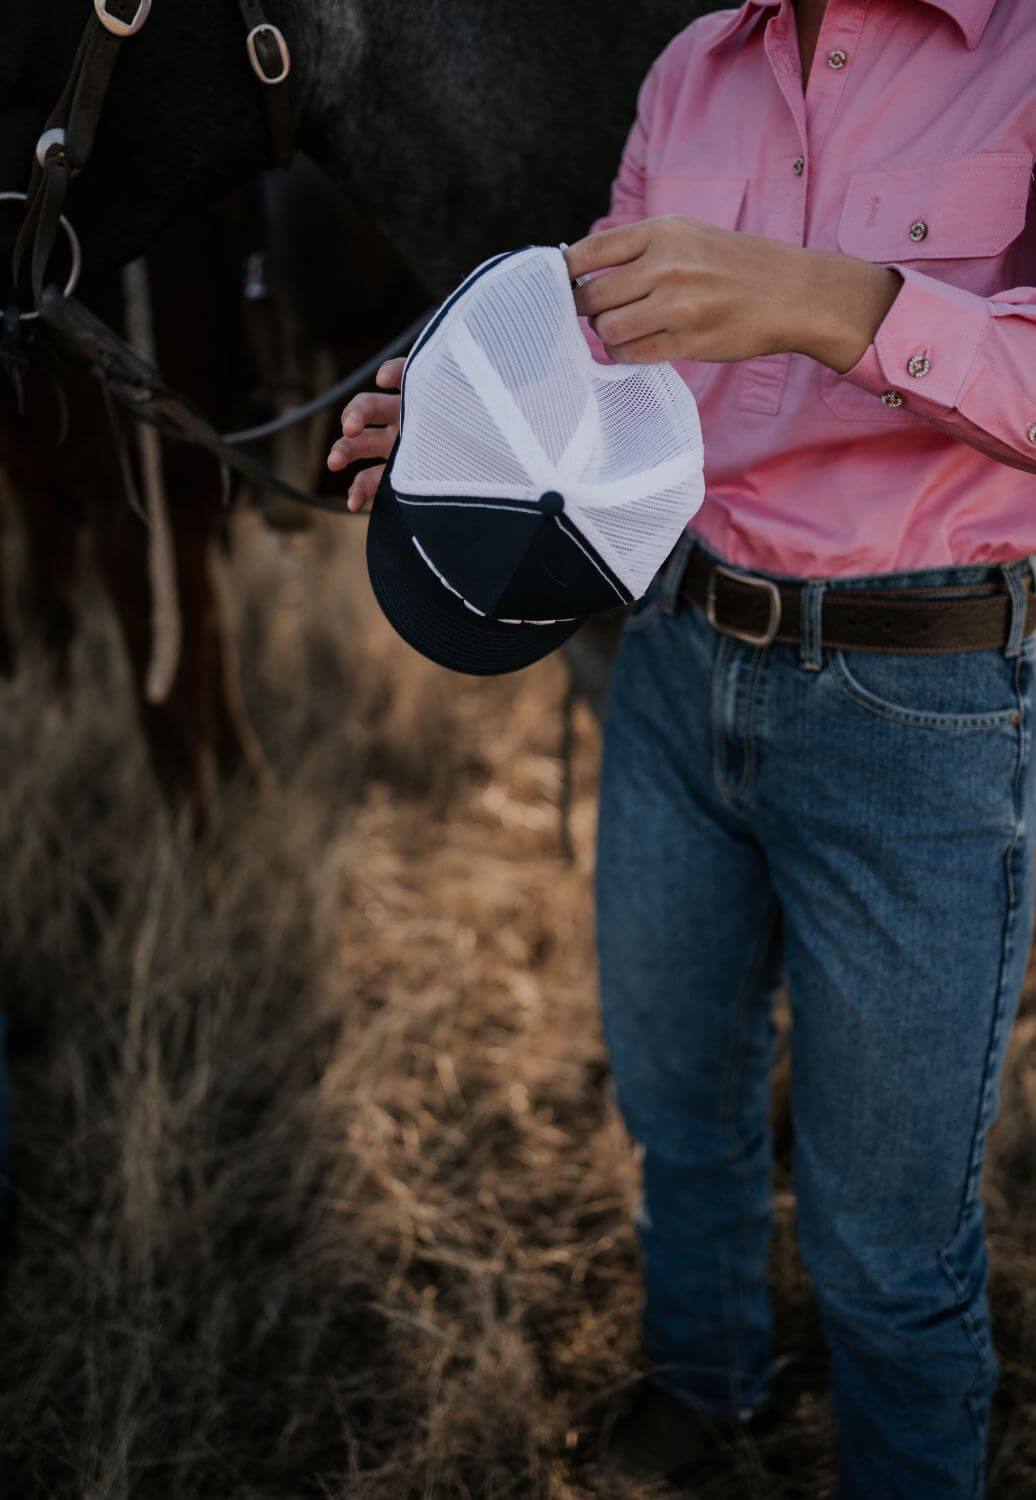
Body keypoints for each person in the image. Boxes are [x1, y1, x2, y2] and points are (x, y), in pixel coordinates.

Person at [328, 2, 1036, 1494]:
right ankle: (705, 1385)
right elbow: (599, 367)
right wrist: (466, 425)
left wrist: (830, 300)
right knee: (677, 1106)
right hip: (675, 654)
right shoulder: (691, 68)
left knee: (888, 1241)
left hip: (923, 713)